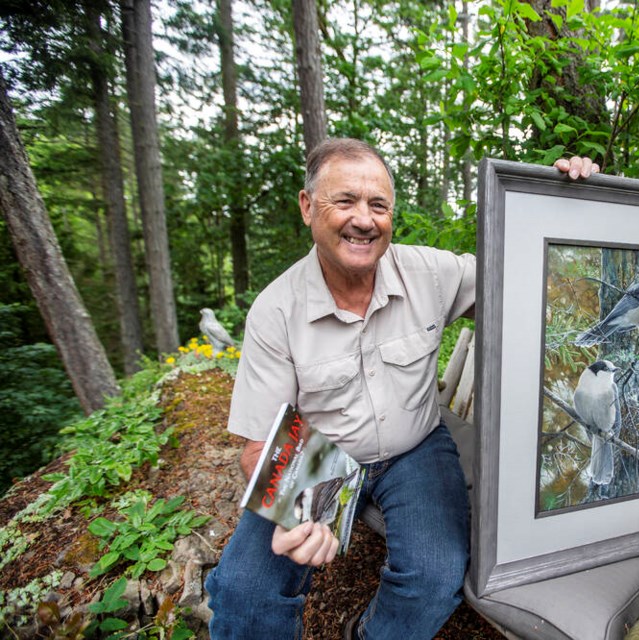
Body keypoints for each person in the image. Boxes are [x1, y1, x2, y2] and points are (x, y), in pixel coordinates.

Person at [205, 138, 599, 640]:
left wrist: (559, 200)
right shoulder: (275, 309)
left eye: (378, 205)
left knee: (434, 577)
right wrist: (305, 508)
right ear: (307, 207)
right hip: (317, 457)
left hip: (415, 448)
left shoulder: (431, 273)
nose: (363, 219)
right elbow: (260, 445)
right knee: (243, 593)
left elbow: (525, 277)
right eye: (344, 201)